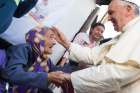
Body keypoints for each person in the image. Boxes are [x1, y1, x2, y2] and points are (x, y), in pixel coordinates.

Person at [52, 0, 140, 93]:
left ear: (128, 9)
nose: (109, 18)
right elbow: (92, 55)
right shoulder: (124, 35)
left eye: (111, 13)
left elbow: (120, 72)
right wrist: (66, 43)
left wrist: (70, 77)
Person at [4, 26, 74, 93]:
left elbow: (58, 72)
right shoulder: (23, 49)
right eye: (51, 37)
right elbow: (12, 74)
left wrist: (79, 64)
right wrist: (47, 77)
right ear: (38, 38)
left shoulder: (45, 60)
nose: (54, 42)